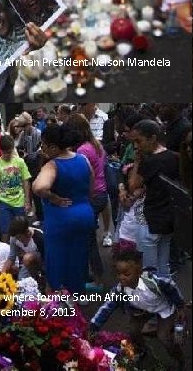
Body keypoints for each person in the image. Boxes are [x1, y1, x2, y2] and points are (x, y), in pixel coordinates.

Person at [89, 245, 186, 369]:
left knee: (163, 337)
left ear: (139, 272)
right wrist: (94, 325)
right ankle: (141, 350)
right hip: (141, 311)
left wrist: (180, 306)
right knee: (133, 332)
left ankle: (178, 357)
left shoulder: (153, 281)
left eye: (126, 274)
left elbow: (171, 286)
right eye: (118, 273)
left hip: (163, 308)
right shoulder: (120, 290)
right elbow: (107, 307)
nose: (121, 277)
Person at [31, 124, 95, 293]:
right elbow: (91, 187)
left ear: (53, 146)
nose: (42, 148)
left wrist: (54, 198)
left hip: (61, 219)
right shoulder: (83, 159)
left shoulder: (52, 165)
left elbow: (38, 187)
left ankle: (60, 298)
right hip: (84, 213)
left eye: (43, 145)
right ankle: (78, 293)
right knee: (79, 257)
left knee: (57, 258)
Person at [128, 120, 179, 277]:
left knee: (149, 271)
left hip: (150, 219)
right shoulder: (173, 157)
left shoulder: (149, 161)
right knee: (164, 267)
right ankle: (166, 297)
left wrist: (136, 162)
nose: (136, 146)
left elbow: (133, 185)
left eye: (139, 141)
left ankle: (151, 300)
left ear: (152, 138)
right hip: (168, 218)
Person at [71, 113, 112, 290]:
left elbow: (85, 178)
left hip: (92, 196)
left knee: (88, 241)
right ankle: (93, 275)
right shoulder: (96, 145)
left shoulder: (82, 151)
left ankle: (98, 280)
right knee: (89, 238)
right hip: (102, 195)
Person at [0, 135, 32, 237]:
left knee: (22, 228)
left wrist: (27, 201)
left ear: (13, 149)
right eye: (5, 152)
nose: (8, 155)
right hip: (4, 202)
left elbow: (26, 181)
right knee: (5, 230)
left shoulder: (20, 161)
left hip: (19, 200)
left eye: (10, 151)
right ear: (0, 150)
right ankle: (7, 250)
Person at [5, 216, 43, 281]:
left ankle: (38, 278)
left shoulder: (39, 238)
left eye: (19, 237)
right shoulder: (14, 237)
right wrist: (2, 276)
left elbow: (47, 259)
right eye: (16, 237)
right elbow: (11, 257)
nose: (18, 239)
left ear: (27, 232)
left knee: (27, 258)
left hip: (42, 262)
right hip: (28, 264)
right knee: (21, 280)